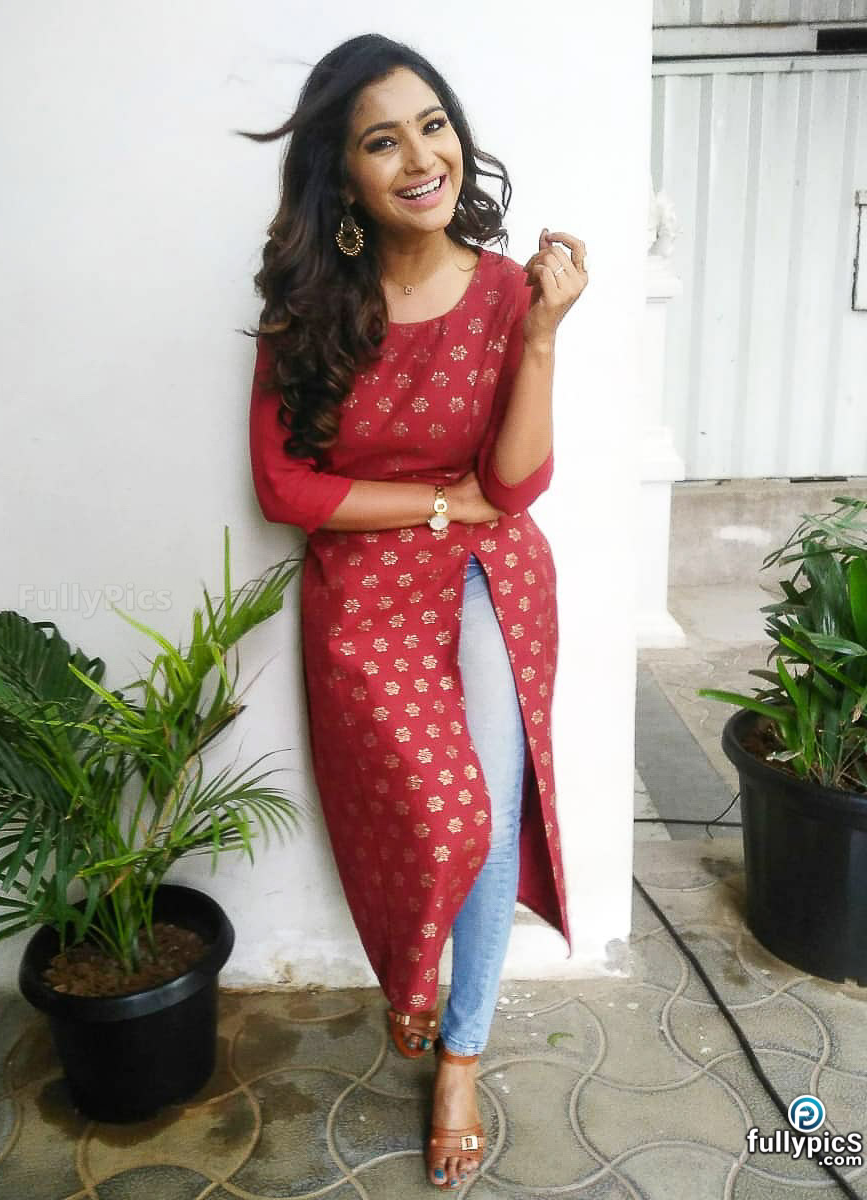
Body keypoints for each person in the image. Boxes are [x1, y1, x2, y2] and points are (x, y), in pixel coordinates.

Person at [242, 33, 587, 1190]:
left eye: (433, 125)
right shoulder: (307, 306)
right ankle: (410, 977)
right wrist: (439, 503)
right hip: (365, 595)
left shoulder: (503, 291)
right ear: (343, 177)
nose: (421, 156)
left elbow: (517, 486)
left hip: (491, 577)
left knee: (486, 813)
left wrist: (541, 336)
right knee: (432, 816)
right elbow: (284, 488)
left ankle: (461, 1055)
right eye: (382, 141)